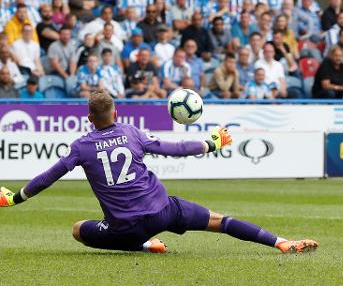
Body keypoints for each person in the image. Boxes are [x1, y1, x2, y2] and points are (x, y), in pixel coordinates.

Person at [0, 90, 318, 254]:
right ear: (116, 112)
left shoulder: (81, 147)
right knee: (221, 222)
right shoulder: (132, 133)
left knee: (77, 229)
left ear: (89, 118)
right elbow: (172, 148)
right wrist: (210, 144)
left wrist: (15, 198)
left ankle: (143, 245)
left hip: (124, 231)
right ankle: (281, 243)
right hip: (165, 212)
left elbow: (49, 176)